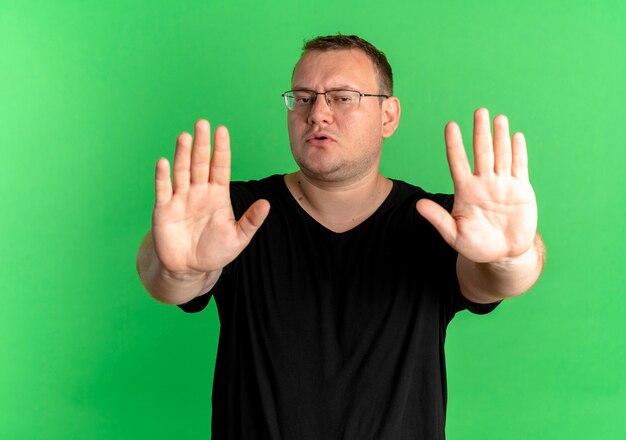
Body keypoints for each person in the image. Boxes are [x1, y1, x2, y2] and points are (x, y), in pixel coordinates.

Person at [136, 34, 545, 439]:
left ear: (388, 116)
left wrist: (509, 257)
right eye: (302, 97)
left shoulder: (438, 223)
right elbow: (169, 278)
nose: (317, 114)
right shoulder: (236, 215)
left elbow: (495, 278)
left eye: (343, 97)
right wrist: (177, 269)